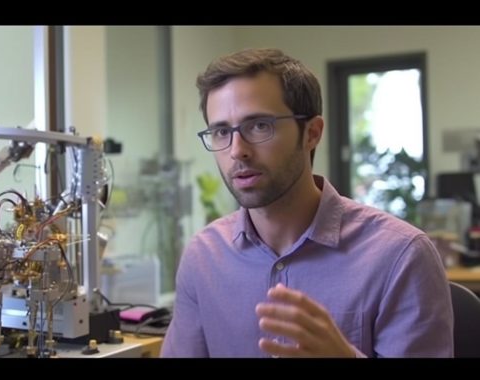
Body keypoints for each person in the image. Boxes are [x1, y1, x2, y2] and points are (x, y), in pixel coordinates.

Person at [160, 48, 453, 358]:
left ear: (311, 133)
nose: (237, 151)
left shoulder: (400, 257)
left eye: (259, 126)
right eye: (221, 132)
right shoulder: (203, 258)